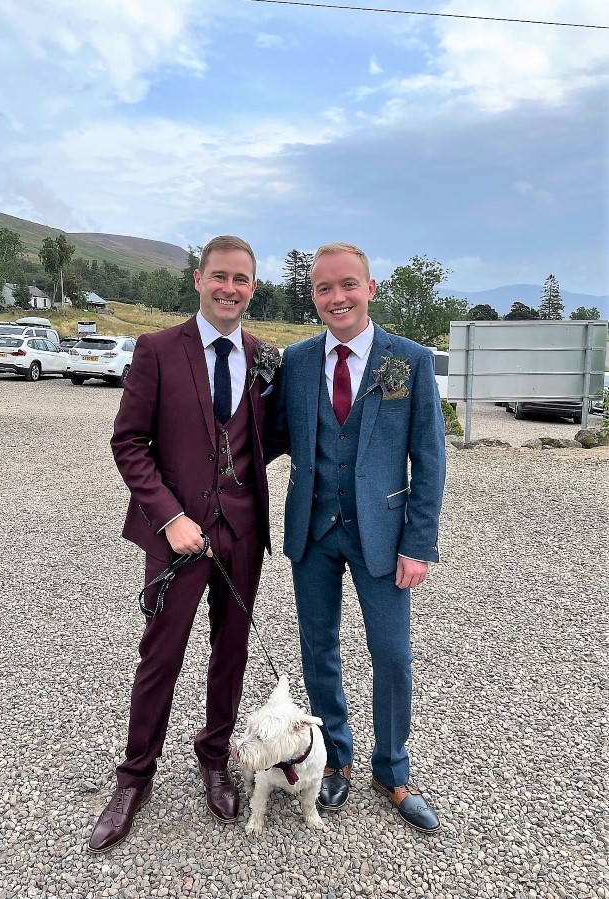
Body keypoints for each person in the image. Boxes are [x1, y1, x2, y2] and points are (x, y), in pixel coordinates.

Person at [89, 236, 280, 853]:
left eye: (242, 280)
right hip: (178, 536)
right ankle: (134, 777)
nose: (230, 288)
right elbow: (129, 443)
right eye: (220, 276)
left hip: (243, 531)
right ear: (199, 280)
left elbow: (265, 438)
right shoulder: (156, 349)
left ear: (253, 287)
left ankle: (214, 758)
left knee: (231, 653)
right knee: (161, 654)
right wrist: (169, 516)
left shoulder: (262, 356)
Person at [267, 242, 446, 832]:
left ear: (370, 289)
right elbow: (265, 439)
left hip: (382, 535)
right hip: (313, 533)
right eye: (323, 288)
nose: (336, 297)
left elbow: (429, 458)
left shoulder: (407, 361)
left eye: (347, 285)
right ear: (313, 295)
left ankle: (392, 770)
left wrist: (418, 543)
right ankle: (335, 761)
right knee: (319, 652)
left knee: (392, 655)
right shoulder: (296, 361)